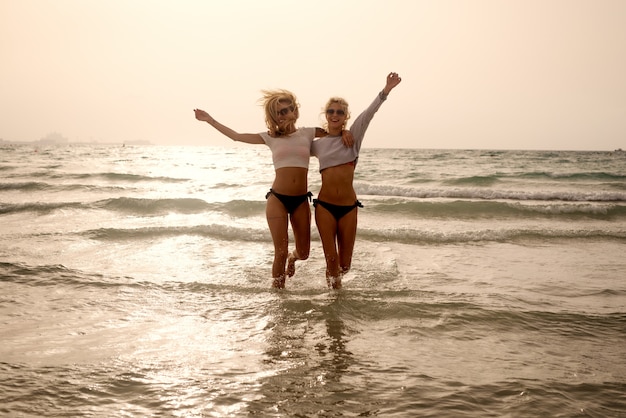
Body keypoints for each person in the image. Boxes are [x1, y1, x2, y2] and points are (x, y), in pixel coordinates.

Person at [194, 90, 350, 289]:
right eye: (280, 112)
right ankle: (278, 297)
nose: (285, 114)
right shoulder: (270, 137)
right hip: (277, 198)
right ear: (275, 116)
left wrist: (346, 132)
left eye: (288, 109)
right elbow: (236, 137)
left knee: (303, 253)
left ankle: (293, 261)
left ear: (295, 110)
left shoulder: (309, 132)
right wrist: (209, 120)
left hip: (301, 199)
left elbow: (334, 133)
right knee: (280, 251)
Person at [311, 72, 402, 289]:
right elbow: (294, 146)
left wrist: (386, 90)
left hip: (349, 207)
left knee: (344, 266)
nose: (335, 114)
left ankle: (333, 286)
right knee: (332, 260)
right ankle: (334, 301)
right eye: (331, 111)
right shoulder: (316, 144)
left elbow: (369, 114)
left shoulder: (353, 137)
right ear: (326, 114)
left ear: (346, 116)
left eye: (340, 112)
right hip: (324, 206)